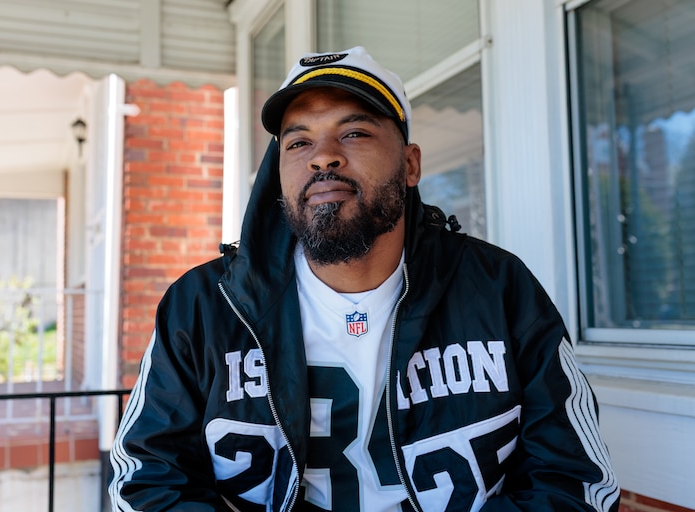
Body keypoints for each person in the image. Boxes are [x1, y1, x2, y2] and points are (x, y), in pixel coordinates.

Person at [108, 46, 620, 512]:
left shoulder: (500, 289)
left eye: (353, 132)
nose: (322, 155)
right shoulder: (203, 306)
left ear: (411, 164)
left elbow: (576, 482)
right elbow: (146, 479)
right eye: (298, 141)